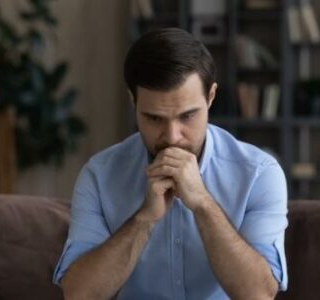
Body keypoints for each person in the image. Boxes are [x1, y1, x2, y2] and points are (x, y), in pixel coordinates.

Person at [53, 27, 288, 300]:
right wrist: (144, 219)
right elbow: (78, 295)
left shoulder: (260, 173)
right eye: (154, 118)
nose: (172, 137)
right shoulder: (99, 175)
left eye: (187, 116)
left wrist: (202, 203)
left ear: (210, 97)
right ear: (133, 101)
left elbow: (259, 294)